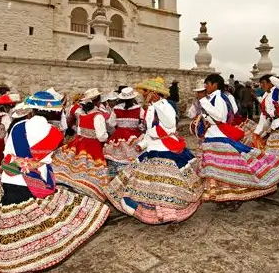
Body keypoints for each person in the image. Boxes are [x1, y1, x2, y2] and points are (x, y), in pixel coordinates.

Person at [0, 115, 110, 273]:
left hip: (8, 177)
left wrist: (23, 162)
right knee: (33, 221)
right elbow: (43, 161)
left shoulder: (17, 127)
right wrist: (35, 167)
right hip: (27, 182)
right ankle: (23, 263)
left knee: (10, 219)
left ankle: (13, 259)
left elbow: (7, 154)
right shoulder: (44, 133)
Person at [105, 78, 203, 224]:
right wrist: (143, 144)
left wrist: (157, 105)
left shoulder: (165, 106)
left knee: (165, 185)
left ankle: (170, 212)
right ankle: (151, 211)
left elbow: (170, 124)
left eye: (146, 92)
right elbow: (150, 131)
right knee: (150, 184)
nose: (143, 95)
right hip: (153, 147)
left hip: (165, 148)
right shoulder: (151, 108)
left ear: (154, 93)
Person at [196, 73, 279, 206]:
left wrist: (203, 101)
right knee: (220, 168)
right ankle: (224, 196)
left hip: (219, 136)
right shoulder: (214, 98)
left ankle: (233, 195)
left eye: (207, 84)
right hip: (214, 135)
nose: (205, 87)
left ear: (214, 85)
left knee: (226, 168)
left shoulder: (218, 98)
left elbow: (219, 117)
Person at [50, 88, 111, 202]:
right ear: (97, 101)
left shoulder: (81, 114)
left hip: (79, 142)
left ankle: (66, 181)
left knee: (72, 164)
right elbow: (101, 136)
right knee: (92, 168)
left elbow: (79, 131)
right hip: (93, 146)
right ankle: (84, 186)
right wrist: (106, 137)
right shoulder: (98, 116)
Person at [104, 86, 144, 172]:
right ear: (133, 97)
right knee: (134, 157)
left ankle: (114, 175)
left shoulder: (116, 108)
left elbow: (111, 123)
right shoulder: (139, 108)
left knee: (115, 157)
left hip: (119, 134)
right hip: (134, 135)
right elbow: (143, 123)